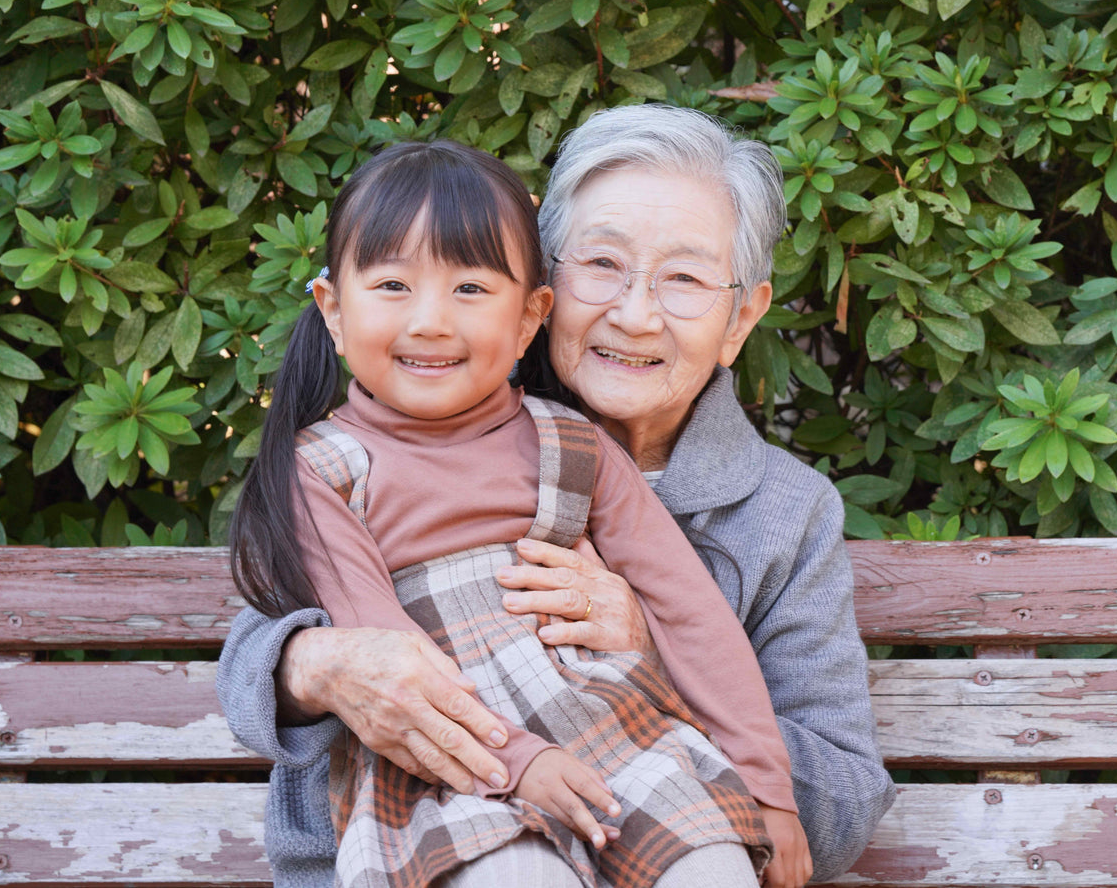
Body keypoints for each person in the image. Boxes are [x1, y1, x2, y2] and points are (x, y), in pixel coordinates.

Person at [217, 105, 894, 888]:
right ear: (548, 288)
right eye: (602, 264)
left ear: (740, 316)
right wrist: (314, 663)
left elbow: (841, 806)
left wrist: (651, 655)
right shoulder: (400, 429)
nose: (635, 315)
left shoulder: (786, 510)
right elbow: (254, 652)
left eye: (683, 279)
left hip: (662, 822)